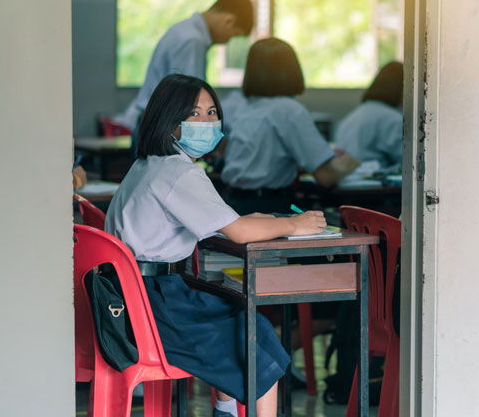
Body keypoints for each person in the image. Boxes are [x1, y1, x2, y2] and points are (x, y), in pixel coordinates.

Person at [105, 74, 327, 417]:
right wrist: (294, 224)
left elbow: (218, 222)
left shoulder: (147, 165)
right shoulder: (180, 172)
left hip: (130, 298)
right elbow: (237, 233)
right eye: (194, 113)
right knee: (253, 332)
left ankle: (225, 410)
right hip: (156, 305)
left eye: (212, 113)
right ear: (170, 120)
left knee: (235, 316)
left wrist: (246, 221)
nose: (207, 122)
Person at [221, 38, 360, 215]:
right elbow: (325, 177)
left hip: (231, 204)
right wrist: (351, 163)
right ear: (292, 70)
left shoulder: (243, 106)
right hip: (269, 206)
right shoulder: (289, 110)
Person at [113, 0, 254, 132]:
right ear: (228, 21)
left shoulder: (184, 30)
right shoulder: (192, 41)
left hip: (155, 123)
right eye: (233, 35)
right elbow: (190, 102)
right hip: (161, 128)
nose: (227, 41)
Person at [334, 61, 404, 168]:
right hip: (376, 180)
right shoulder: (393, 119)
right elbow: (407, 160)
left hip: (347, 179)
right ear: (400, 88)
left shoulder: (353, 115)